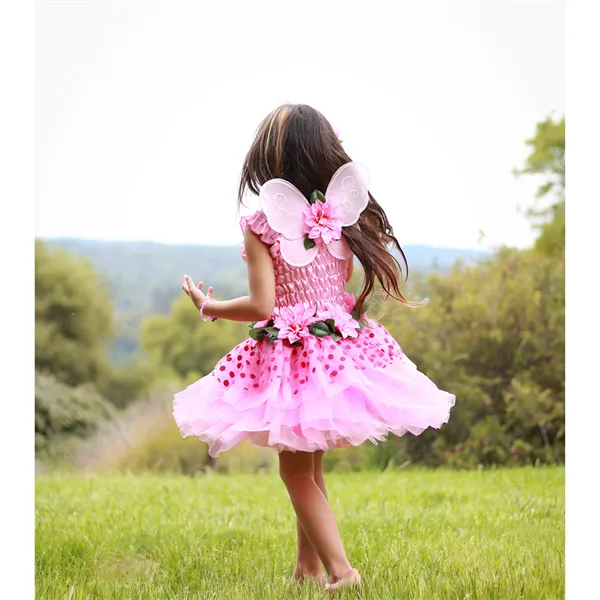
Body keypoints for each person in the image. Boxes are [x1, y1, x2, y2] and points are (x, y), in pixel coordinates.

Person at [174, 104, 455, 590]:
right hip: (337, 350)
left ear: (271, 159)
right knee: (310, 464)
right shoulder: (343, 217)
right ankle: (307, 569)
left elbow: (264, 306)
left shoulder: (264, 223)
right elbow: (338, 284)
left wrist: (210, 307)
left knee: (295, 473)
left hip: (295, 355)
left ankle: (343, 573)